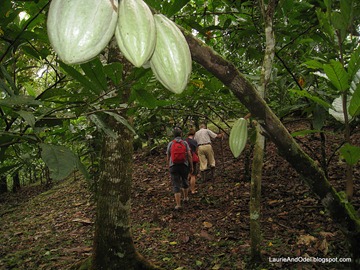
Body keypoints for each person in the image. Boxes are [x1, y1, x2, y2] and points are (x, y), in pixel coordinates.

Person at [166, 127, 193, 210]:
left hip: (173, 166)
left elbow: (168, 156)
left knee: (176, 184)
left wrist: (168, 165)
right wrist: (191, 165)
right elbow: (189, 155)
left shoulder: (170, 144)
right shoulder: (184, 143)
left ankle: (178, 204)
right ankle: (185, 198)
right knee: (185, 180)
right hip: (184, 165)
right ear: (181, 134)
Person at [186, 128, 199, 194]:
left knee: (187, 174)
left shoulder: (185, 141)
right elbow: (196, 151)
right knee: (193, 175)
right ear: (194, 134)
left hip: (185, 159)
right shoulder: (194, 141)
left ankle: (185, 189)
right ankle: (192, 190)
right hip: (192, 159)